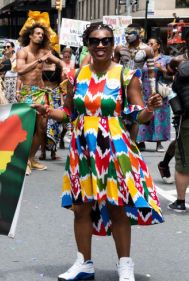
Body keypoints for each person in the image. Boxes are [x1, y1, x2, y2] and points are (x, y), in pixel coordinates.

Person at [32, 23, 164, 281]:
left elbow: (140, 116)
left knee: (117, 205)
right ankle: (84, 263)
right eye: (95, 41)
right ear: (87, 45)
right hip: (82, 148)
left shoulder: (126, 75)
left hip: (114, 147)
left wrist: (149, 108)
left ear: (113, 43)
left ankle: (125, 265)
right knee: (81, 207)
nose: (100, 45)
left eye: (106, 41)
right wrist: (48, 111)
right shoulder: (76, 76)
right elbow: (68, 113)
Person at [16, 23, 68, 175]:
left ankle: (31, 158)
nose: (40, 36)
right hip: (27, 92)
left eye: (42, 34)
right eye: (37, 33)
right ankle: (23, 160)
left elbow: (59, 61)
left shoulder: (45, 51)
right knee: (27, 128)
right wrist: (39, 61)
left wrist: (63, 67)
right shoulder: (23, 52)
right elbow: (20, 70)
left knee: (42, 127)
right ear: (30, 36)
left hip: (42, 92)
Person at [114, 23, 156, 150]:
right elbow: (113, 67)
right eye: (125, 33)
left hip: (137, 85)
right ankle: (120, 144)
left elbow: (151, 71)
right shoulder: (119, 48)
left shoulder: (147, 50)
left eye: (130, 33)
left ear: (138, 34)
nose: (127, 36)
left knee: (135, 115)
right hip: (120, 84)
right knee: (120, 113)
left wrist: (153, 91)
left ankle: (132, 147)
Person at [165, 31, 189, 212]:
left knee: (183, 161)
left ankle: (180, 201)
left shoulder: (182, 66)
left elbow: (174, 91)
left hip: (186, 118)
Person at [136, 38, 172, 152]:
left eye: (152, 43)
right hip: (144, 91)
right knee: (143, 113)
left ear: (158, 46)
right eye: (148, 43)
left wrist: (162, 69)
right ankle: (141, 141)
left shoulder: (166, 59)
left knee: (159, 116)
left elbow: (173, 75)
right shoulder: (143, 58)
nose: (149, 45)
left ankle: (159, 143)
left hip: (159, 92)